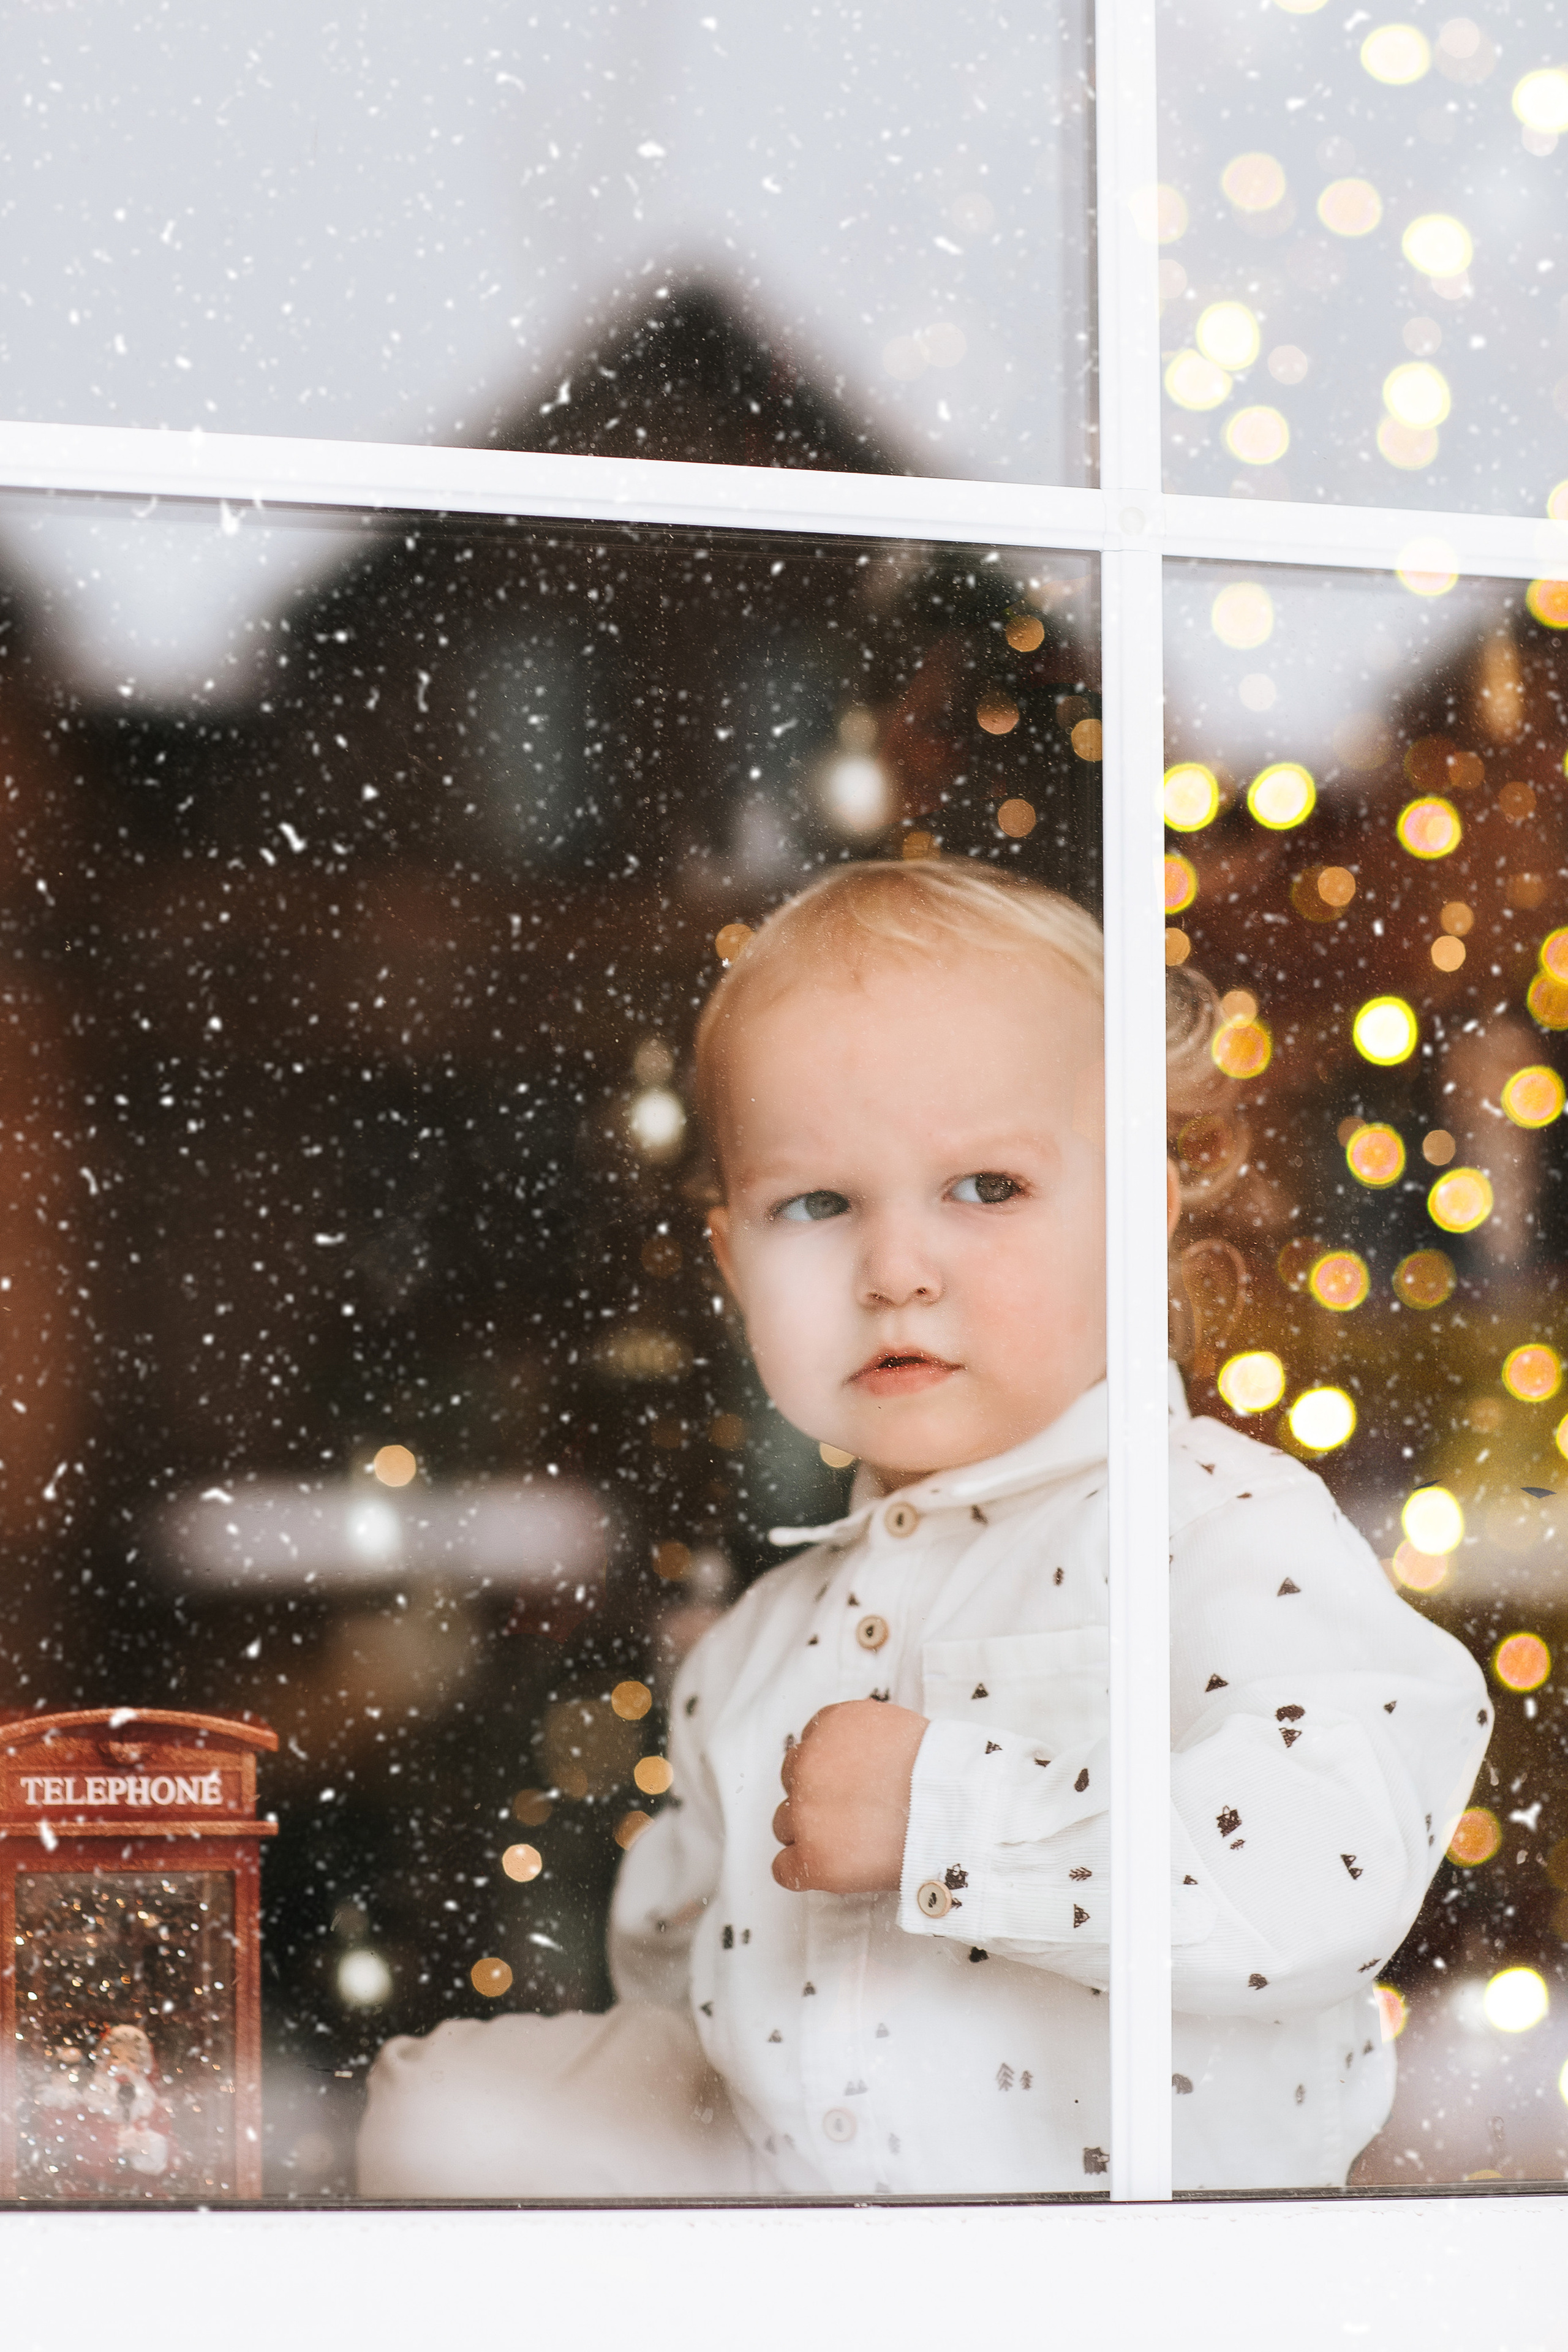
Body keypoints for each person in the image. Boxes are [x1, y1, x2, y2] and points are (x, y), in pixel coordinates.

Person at [359, 861, 1488, 2197]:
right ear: (732, 1265)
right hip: (814, 2254)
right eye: (816, 1205)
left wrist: (950, 1816)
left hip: (1140, 2288)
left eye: (985, 1187)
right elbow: (685, 1976)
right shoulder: (759, 1643)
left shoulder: (1212, 1527)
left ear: (1137, 1212)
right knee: (451, 2115)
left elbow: (1330, 1867)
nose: (894, 1269)